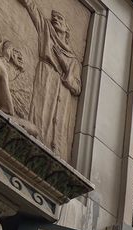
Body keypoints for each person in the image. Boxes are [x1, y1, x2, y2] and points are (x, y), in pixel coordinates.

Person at [14, 0, 82, 155]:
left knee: (57, 124)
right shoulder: (47, 31)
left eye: (60, 19)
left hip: (63, 91)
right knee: (41, 111)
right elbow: (33, 10)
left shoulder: (73, 60)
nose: (55, 20)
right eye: (54, 18)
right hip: (47, 74)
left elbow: (77, 88)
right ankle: (34, 144)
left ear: (67, 28)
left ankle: (55, 153)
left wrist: (65, 64)